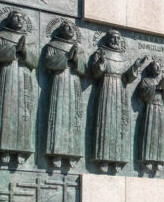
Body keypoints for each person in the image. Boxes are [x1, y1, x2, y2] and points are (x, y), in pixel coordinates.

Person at [89, 30, 146, 173]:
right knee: (105, 123)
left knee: (120, 125)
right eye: (113, 38)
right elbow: (95, 73)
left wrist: (136, 67)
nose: (115, 40)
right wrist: (101, 62)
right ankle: (103, 158)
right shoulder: (100, 53)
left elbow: (128, 78)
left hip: (120, 90)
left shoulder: (122, 57)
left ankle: (118, 159)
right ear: (107, 39)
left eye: (117, 38)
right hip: (106, 89)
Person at [0, 10, 35, 166]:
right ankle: (5, 148)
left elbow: (34, 61)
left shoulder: (28, 40)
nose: (19, 19)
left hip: (24, 77)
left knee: (24, 113)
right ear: (8, 20)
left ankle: (22, 148)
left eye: (22, 17)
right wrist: (13, 50)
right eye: (16, 17)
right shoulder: (0, 37)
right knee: (7, 109)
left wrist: (25, 53)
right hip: (8, 75)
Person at [41, 20, 85, 169]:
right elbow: (48, 62)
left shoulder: (79, 48)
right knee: (58, 115)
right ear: (60, 30)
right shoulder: (52, 46)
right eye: (66, 26)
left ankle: (73, 152)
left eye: (72, 27)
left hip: (74, 83)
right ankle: (57, 152)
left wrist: (76, 59)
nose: (70, 29)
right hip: (59, 82)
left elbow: (83, 69)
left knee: (74, 118)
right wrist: (66, 59)